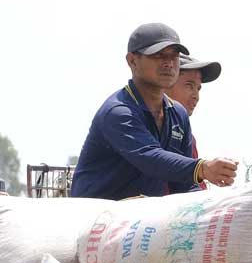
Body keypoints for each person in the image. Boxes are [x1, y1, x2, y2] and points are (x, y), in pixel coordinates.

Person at [69, 23, 238, 199]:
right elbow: (151, 158)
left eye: (174, 56)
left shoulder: (177, 114)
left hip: (141, 220)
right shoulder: (119, 112)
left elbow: (184, 186)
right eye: (158, 55)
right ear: (132, 61)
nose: (168, 63)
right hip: (99, 218)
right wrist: (202, 168)